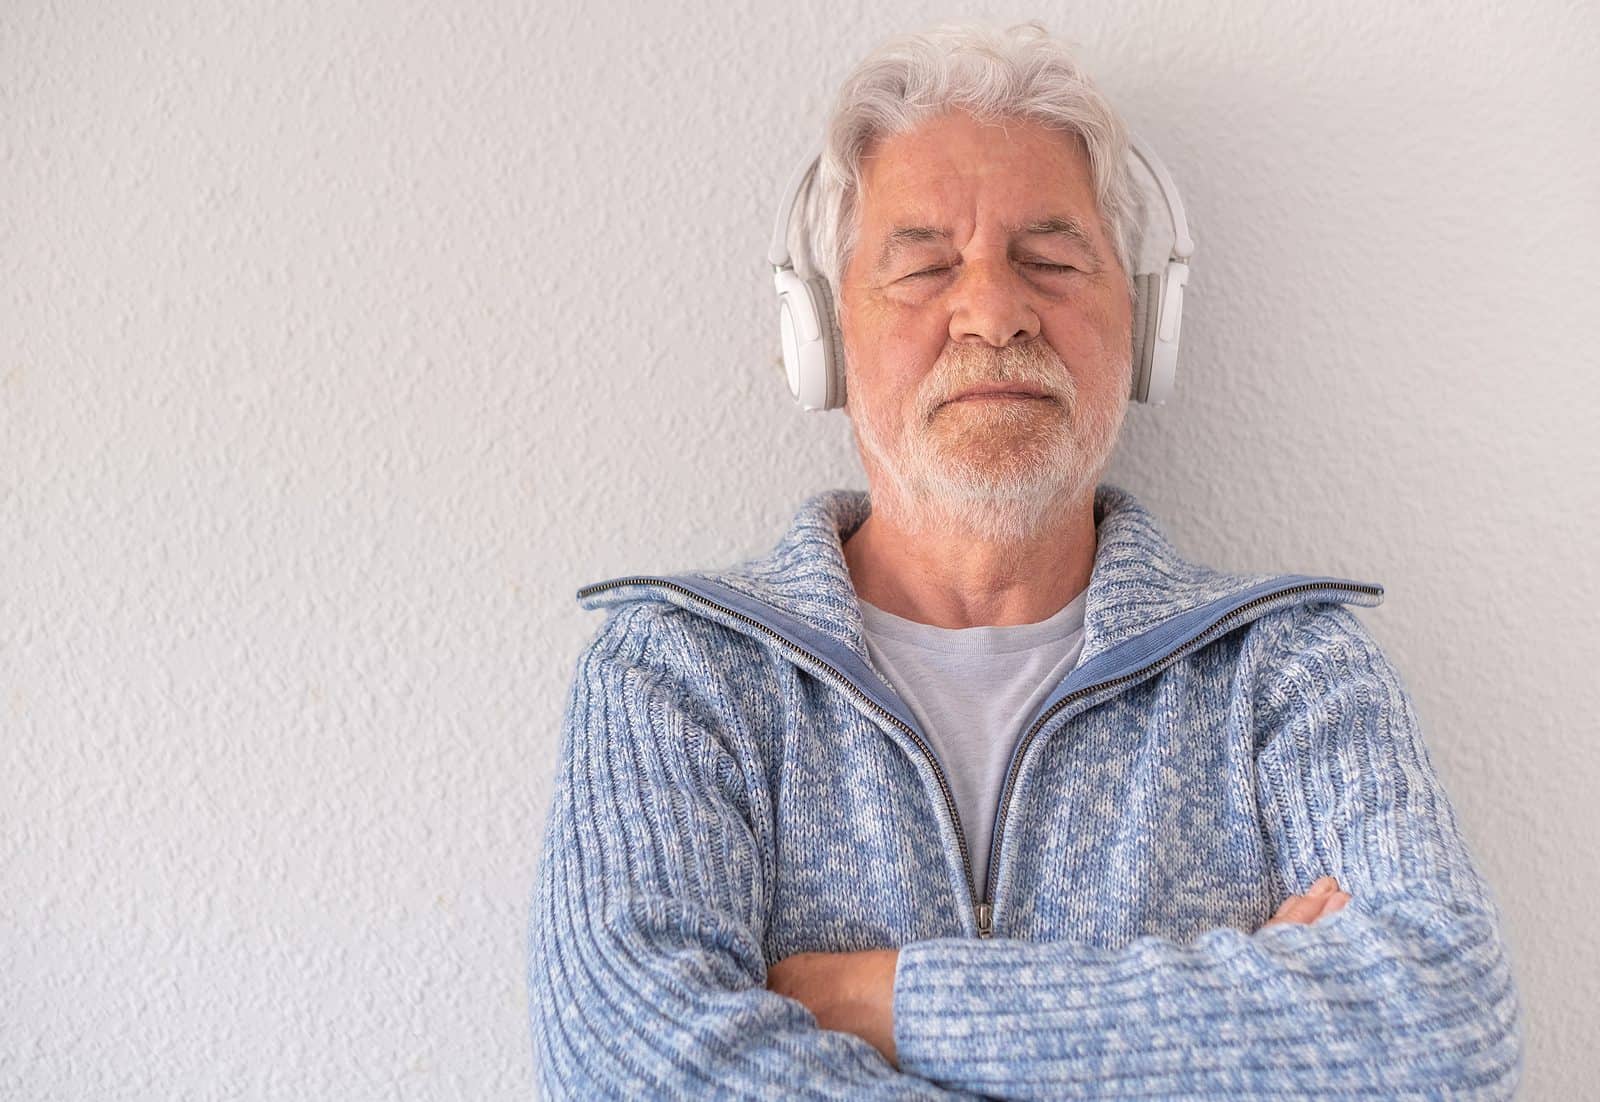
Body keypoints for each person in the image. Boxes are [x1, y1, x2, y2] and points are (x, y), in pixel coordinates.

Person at [528, 20, 1522, 1099]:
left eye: (1049, 261)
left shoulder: (1287, 669)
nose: (995, 313)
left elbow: (1449, 1034)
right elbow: (625, 1067)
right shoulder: (677, 674)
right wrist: (1234, 1034)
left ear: (1142, 324)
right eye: (924, 266)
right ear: (824, 333)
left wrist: (889, 1001)